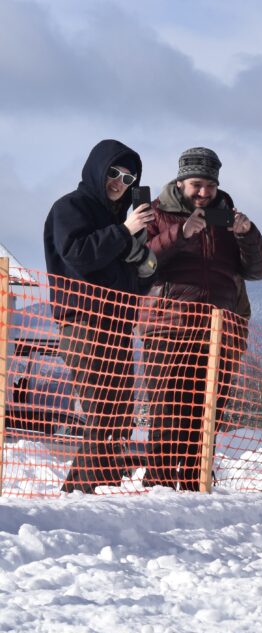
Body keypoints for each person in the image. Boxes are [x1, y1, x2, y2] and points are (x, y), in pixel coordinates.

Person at [141, 147, 262, 492]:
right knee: (169, 409)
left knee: (208, 411)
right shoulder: (156, 213)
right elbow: (139, 262)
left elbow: (260, 270)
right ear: (181, 181)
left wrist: (248, 233)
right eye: (197, 185)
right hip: (168, 326)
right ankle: (160, 483)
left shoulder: (228, 218)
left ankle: (197, 481)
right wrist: (179, 235)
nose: (203, 193)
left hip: (220, 331)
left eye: (209, 186)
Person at [43, 140, 157, 493]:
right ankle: (90, 492)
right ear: (97, 169)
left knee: (119, 415)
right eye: (113, 173)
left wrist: (145, 262)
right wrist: (124, 231)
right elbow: (78, 254)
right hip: (85, 323)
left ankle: (87, 492)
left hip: (119, 324)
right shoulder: (70, 208)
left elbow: (133, 282)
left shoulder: (121, 219)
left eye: (128, 178)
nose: (119, 183)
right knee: (104, 411)